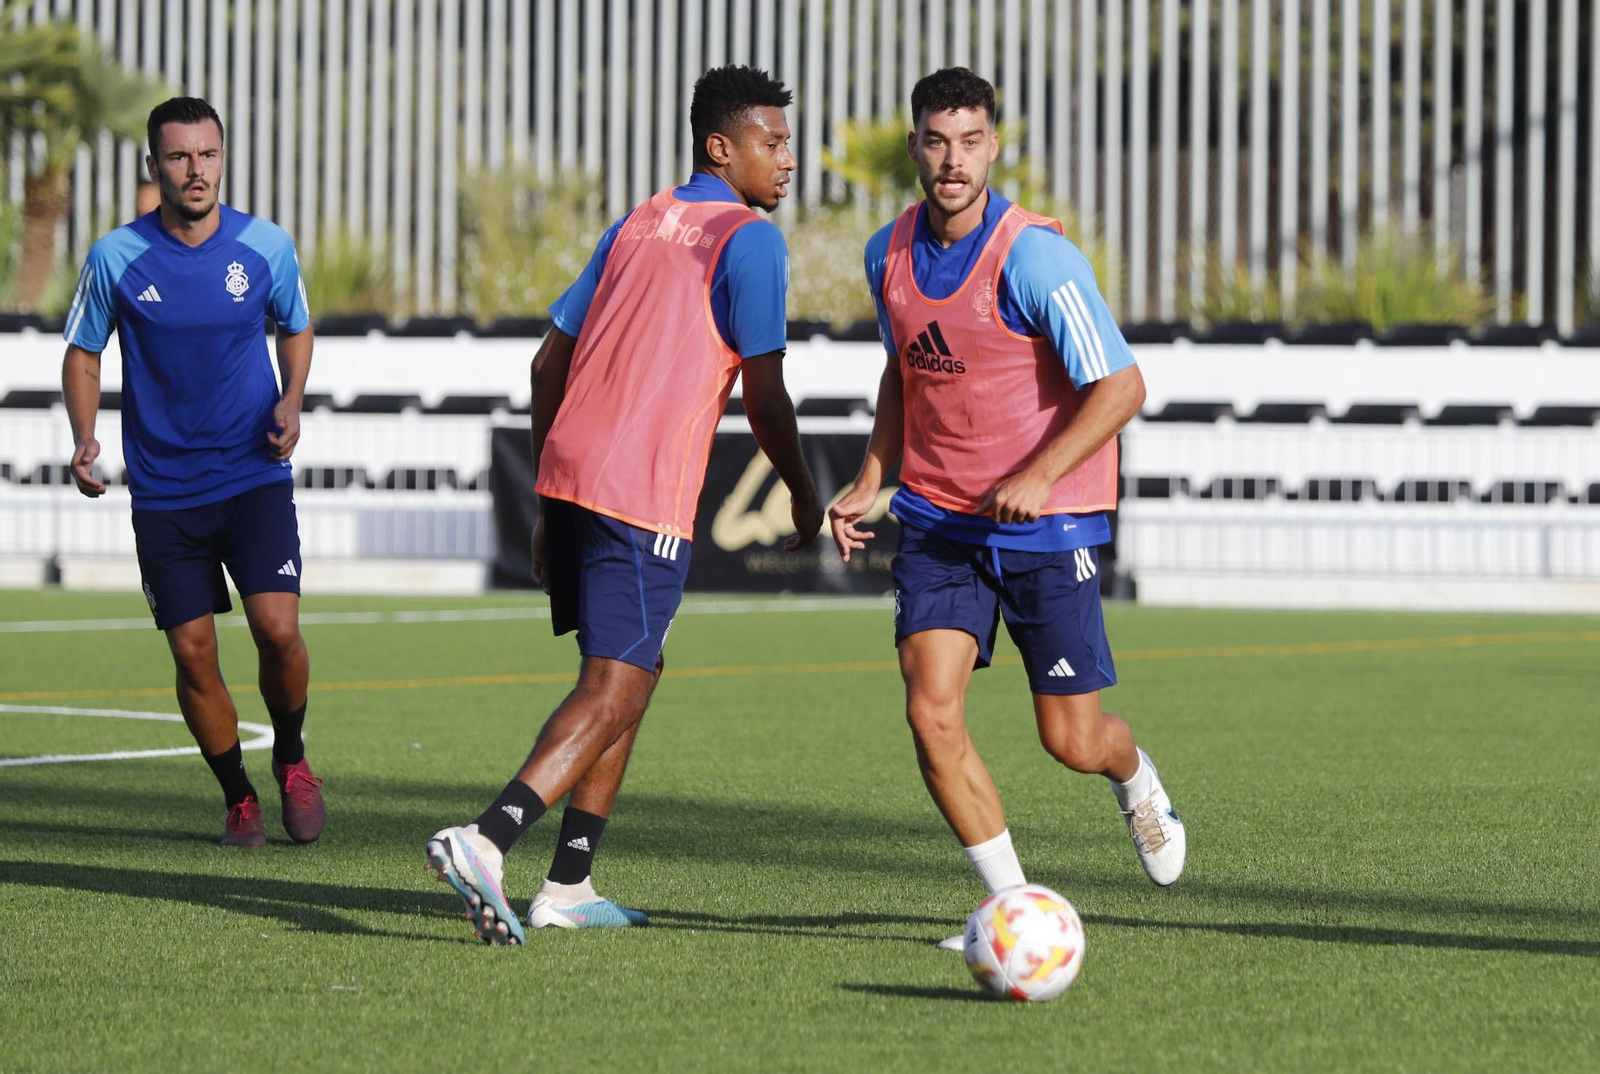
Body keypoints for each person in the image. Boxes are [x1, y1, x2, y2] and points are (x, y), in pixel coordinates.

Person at [426, 65, 823, 945]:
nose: (788, 159)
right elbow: (765, 393)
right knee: (615, 685)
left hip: (572, 472)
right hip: (641, 485)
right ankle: (488, 841)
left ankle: (568, 886)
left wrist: (543, 500)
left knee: (629, 679)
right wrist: (803, 492)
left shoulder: (638, 219)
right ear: (722, 147)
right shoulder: (750, 240)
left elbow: (543, 367)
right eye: (773, 141)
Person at [827, 68, 1186, 946]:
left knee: (1072, 739)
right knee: (929, 708)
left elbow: (1123, 385)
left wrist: (1039, 473)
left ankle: (1135, 780)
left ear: (994, 146)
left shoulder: (1036, 257)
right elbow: (903, 370)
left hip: (1047, 522)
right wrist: (874, 476)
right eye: (937, 141)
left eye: (971, 142)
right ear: (915, 145)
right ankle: (1009, 905)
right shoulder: (888, 252)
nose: (953, 161)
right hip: (941, 521)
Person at [61, 96, 325, 848]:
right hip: (165, 492)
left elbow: (296, 324)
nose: (195, 169)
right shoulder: (116, 257)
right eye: (178, 157)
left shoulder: (266, 246)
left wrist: (293, 398)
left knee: (279, 630)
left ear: (222, 157)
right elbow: (83, 353)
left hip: (253, 475)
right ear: (154, 168)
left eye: (206, 154)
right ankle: (239, 796)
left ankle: (294, 759)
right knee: (192, 652)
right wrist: (85, 438)